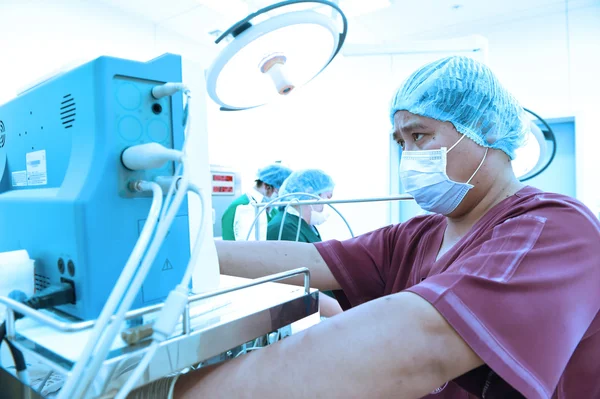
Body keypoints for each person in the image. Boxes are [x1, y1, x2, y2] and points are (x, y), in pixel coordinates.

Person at [130, 56, 600, 399]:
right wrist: (184, 247)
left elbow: (422, 345)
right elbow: (312, 261)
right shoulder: (419, 235)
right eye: (401, 141)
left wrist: (168, 393)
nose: (408, 157)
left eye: (420, 136)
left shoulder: (555, 230)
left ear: (489, 129)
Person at [266, 169, 342, 317]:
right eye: (326, 198)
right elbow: (296, 285)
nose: (325, 206)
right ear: (310, 193)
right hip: (306, 312)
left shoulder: (306, 225)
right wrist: (340, 311)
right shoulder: (283, 226)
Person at [220, 163, 292, 241]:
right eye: (279, 191)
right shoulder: (240, 207)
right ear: (267, 186)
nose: (280, 196)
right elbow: (230, 245)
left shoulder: (273, 211)